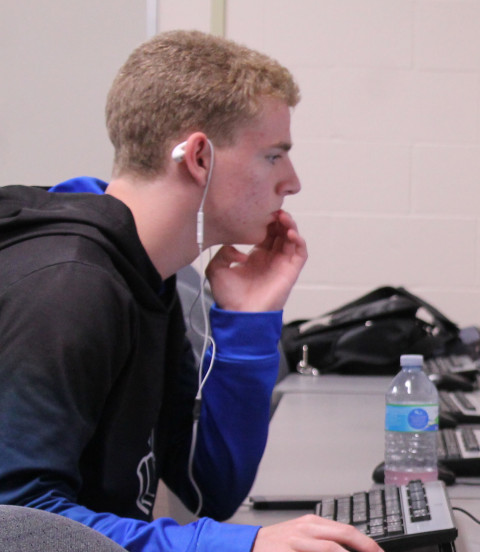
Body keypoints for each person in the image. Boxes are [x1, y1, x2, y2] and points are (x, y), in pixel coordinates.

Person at [0, 30, 382, 552]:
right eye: (274, 156)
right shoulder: (67, 287)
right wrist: (241, 546)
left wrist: (249, 322)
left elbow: (210, 487)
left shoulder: (146, 273)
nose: (292, 181)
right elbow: (18, 524)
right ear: (199, 157)